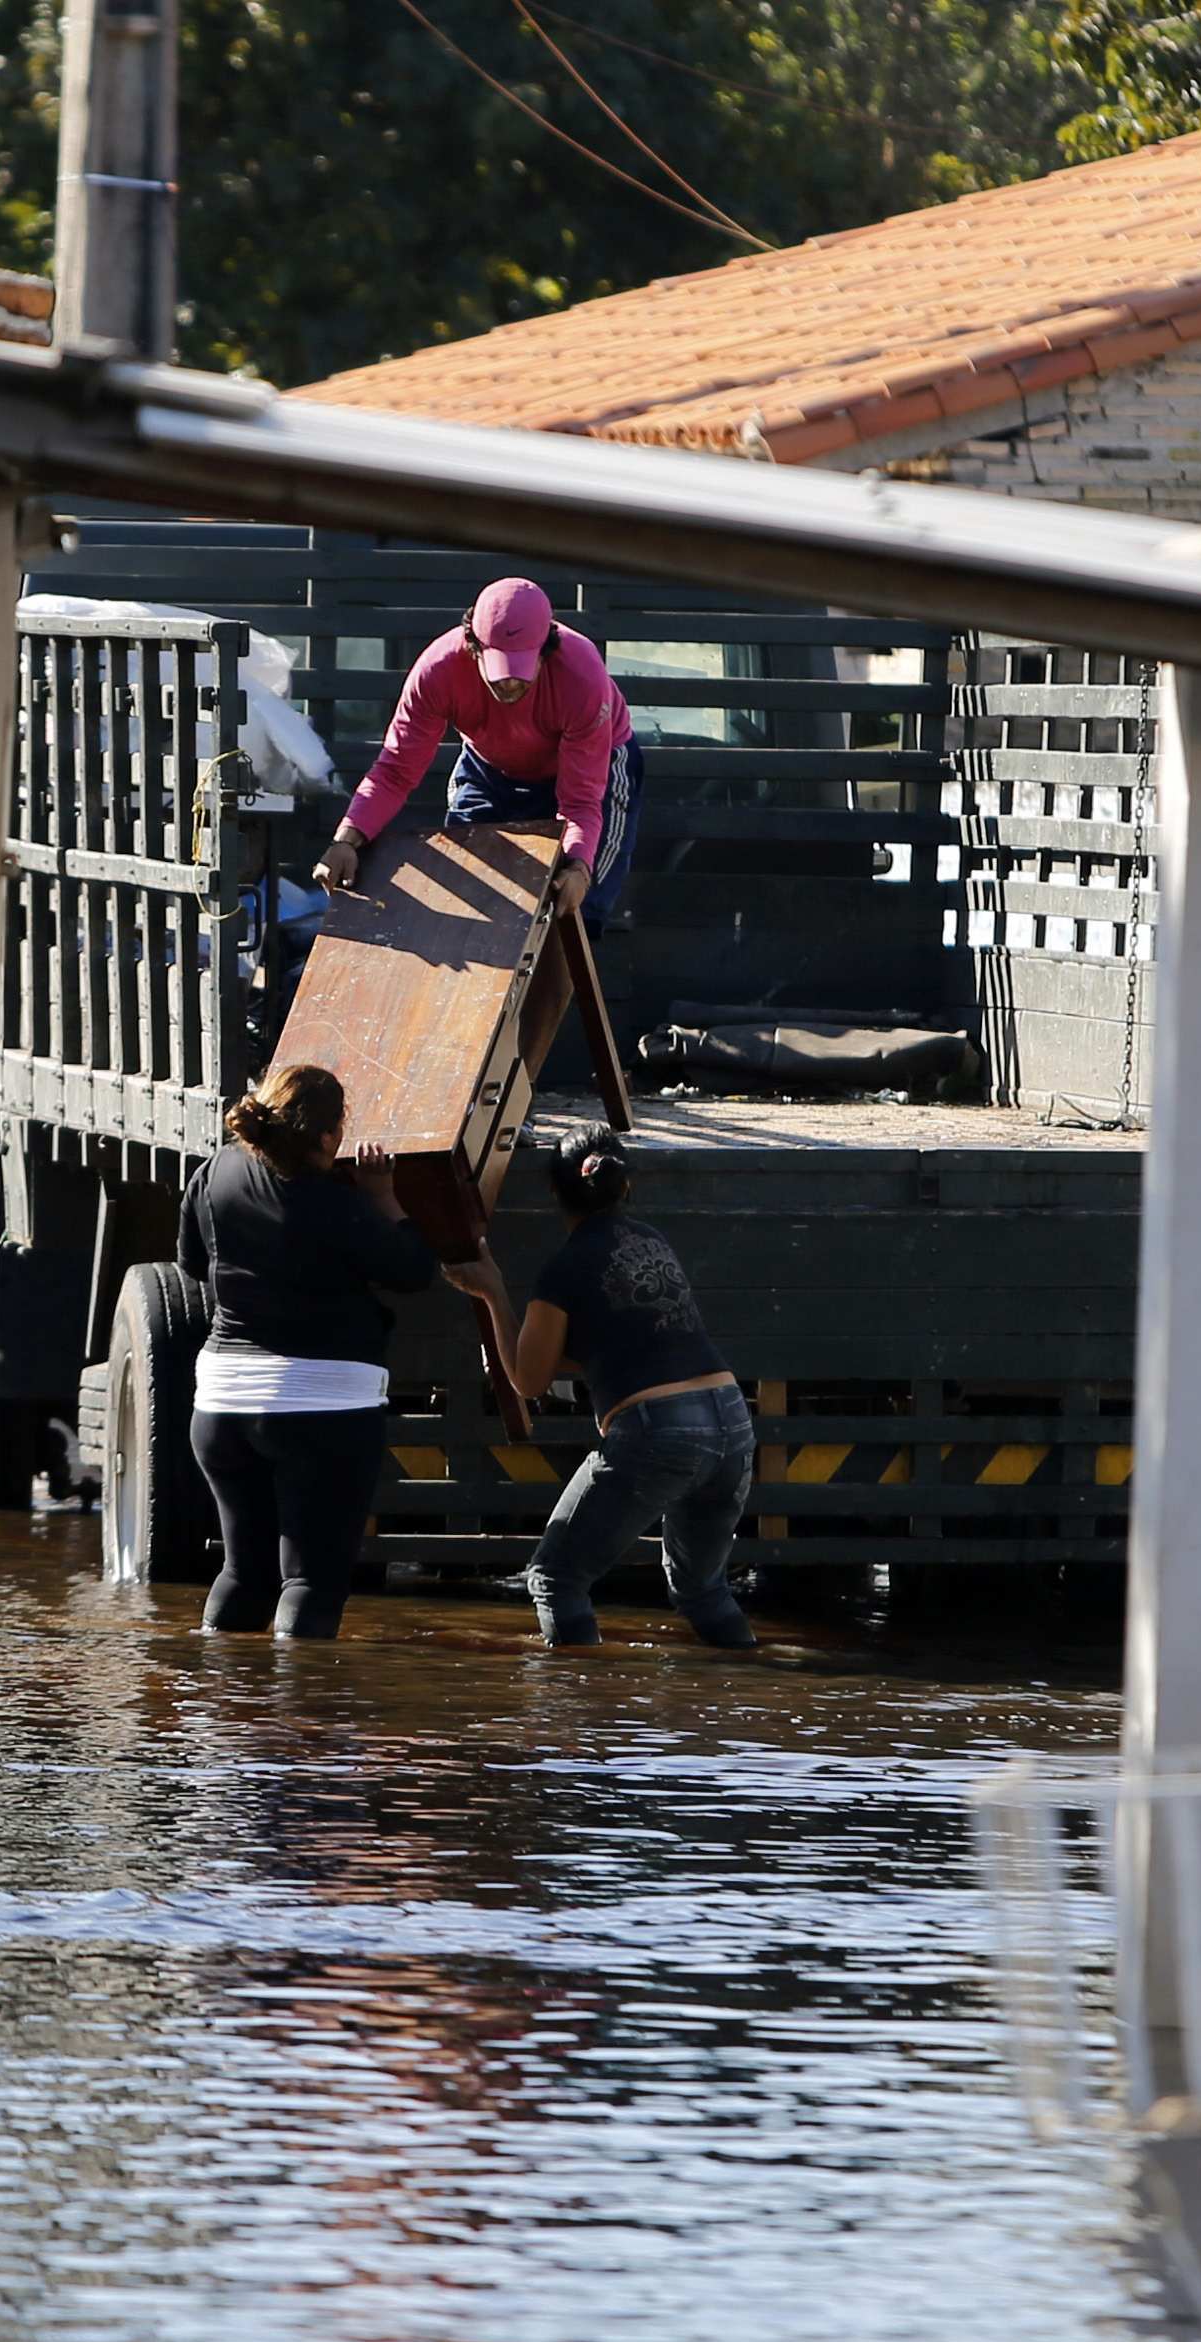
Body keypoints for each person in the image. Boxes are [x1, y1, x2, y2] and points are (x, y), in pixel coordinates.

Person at [179, 1063, 510, 1639]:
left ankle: (223, 1717)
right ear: (330, 1137)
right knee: (309, 1581)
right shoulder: (335, 1204)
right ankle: (301, 1723)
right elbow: (411, 1270)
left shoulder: (214, 1174)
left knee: (243, 1572)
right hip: (321, 1410)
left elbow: (191, 1263)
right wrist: (387, 1199)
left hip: (221, 1403)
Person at [507, 1124, 758, 1650]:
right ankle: (746, 1691)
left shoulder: (563, 1269)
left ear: (555, 1192)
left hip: (661, 1430)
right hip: (732, 1417)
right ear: (624, 1186)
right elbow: (633, 1335)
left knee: (556, 1578)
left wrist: (489, 1289)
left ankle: (582, 1721)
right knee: (702, 1588)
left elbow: (528, 1380)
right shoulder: (651, 1240)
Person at [310, 576, 644, 926]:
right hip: (490, 765)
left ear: (546, 652)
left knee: (575, 907)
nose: (510, 683)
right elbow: (395, 771)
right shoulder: (437, 672)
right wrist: (346, 840)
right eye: (500, 669)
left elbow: (580, 801)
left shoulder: (582, 677)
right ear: (473, 646)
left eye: (522, 669)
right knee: (467, 887)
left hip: (592, 767)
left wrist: (578, 867)